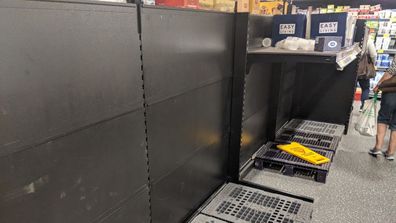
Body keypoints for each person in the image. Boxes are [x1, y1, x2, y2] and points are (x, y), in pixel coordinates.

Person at [369, 58, 396, 161]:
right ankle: (390, 153)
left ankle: (378, 147)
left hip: (392, 91)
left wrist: (378, 84)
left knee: (383, 118)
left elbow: (392, 71)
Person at [358, 36, 377, 112]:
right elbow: (373, 55)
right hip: (363, 70)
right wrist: (373, 63)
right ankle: (362, 107)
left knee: (352, 88)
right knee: (365, 88)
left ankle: (349, 106)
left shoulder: (353, 38)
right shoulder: (368, 40)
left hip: (352, 69)